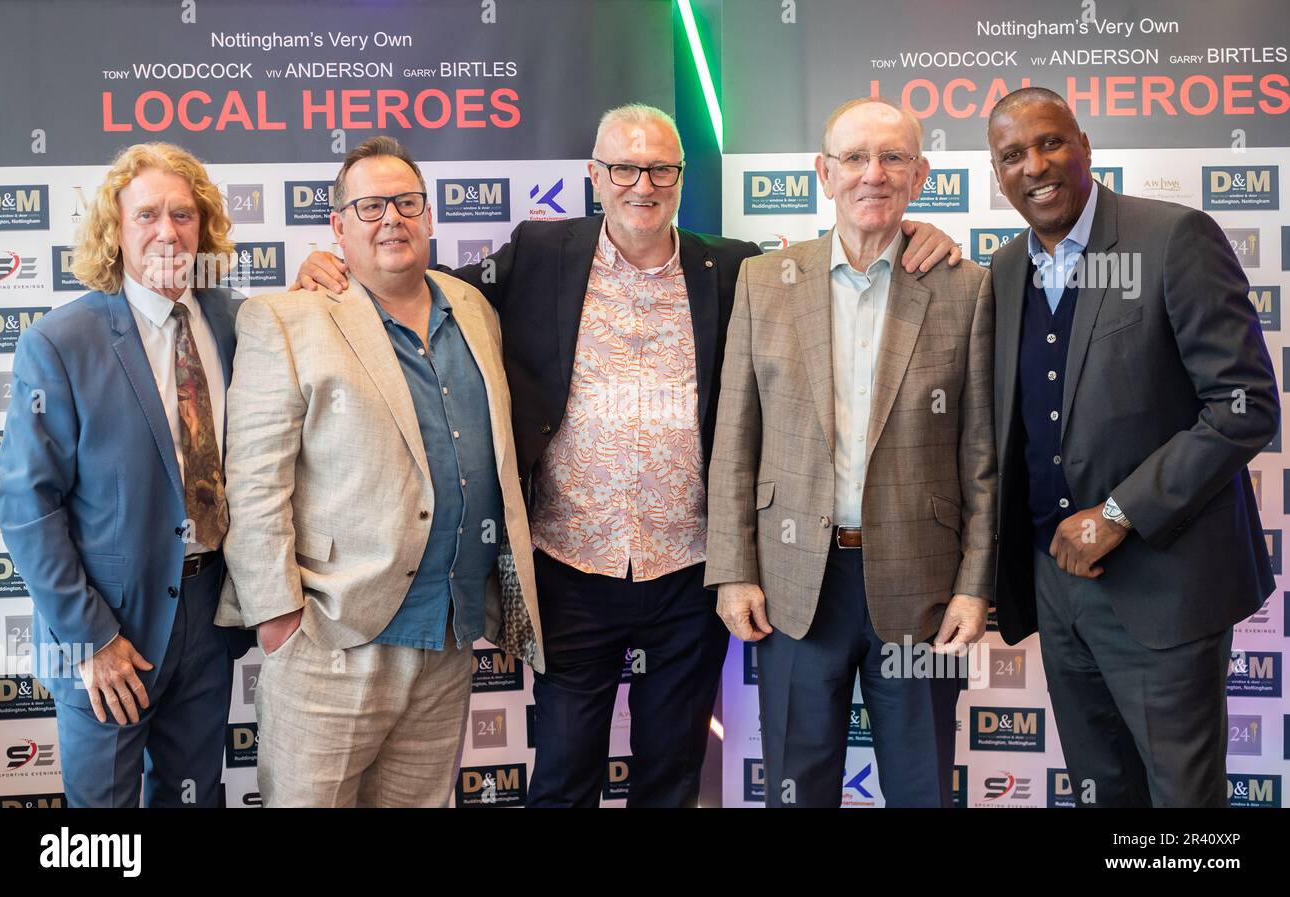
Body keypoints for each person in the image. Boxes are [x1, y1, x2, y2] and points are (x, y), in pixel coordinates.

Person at [294, 104, 961, 807]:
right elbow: (429, 295)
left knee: (670, 774)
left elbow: (845, 260)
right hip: (569, 565)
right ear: (594, 176)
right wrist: (338, 267)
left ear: (680, 176)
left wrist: (916, 232)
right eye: (624, 168)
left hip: (690, 572)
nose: (642, 184)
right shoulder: (541, 252)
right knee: (561, 772)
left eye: (660, 169)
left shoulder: (735, 268)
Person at [216, 136, 542, 807]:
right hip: (331, 640)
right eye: (368, 206)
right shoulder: (285, 318)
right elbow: (253, 485)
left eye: (406, 202)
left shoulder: (472, 308)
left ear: (428, 216)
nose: (390, 217)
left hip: (448, 639)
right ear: (337, 226)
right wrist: (279, 618)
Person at [987, 87, 1278, 807]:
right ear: (997, 174)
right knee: (1100, 788)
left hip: (1163, 584)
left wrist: (1117, 513)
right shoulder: (1003, 270)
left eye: (1051, 142)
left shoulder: (1173, 238)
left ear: (1085, 145)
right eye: (1013, 155)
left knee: (1182, 801)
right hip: (1056, 589)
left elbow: (1244, 407)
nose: (1036, 165)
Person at [706, 97, 995, 808]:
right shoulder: (764, 282)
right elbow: (734, 440)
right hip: (794, 584)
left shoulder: (966, 287)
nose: (874, 173)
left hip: (921, 589)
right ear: (823, 172)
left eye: (893, 157)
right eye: (855, 158)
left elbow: (981, 453)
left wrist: (974, 583)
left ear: (920, 174)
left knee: (922, 787)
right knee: (797, 791)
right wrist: (733, 570)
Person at [0, 142, 252, 807]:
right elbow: (28, 508)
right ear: (116, 229)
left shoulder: (238, 324)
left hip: (210, 611)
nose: (167, 231)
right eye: (146, 215)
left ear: (205, 228)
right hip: (108, 625)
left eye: (183, 214)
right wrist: (94, 639)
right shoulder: (60, 342)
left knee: (193, 796)